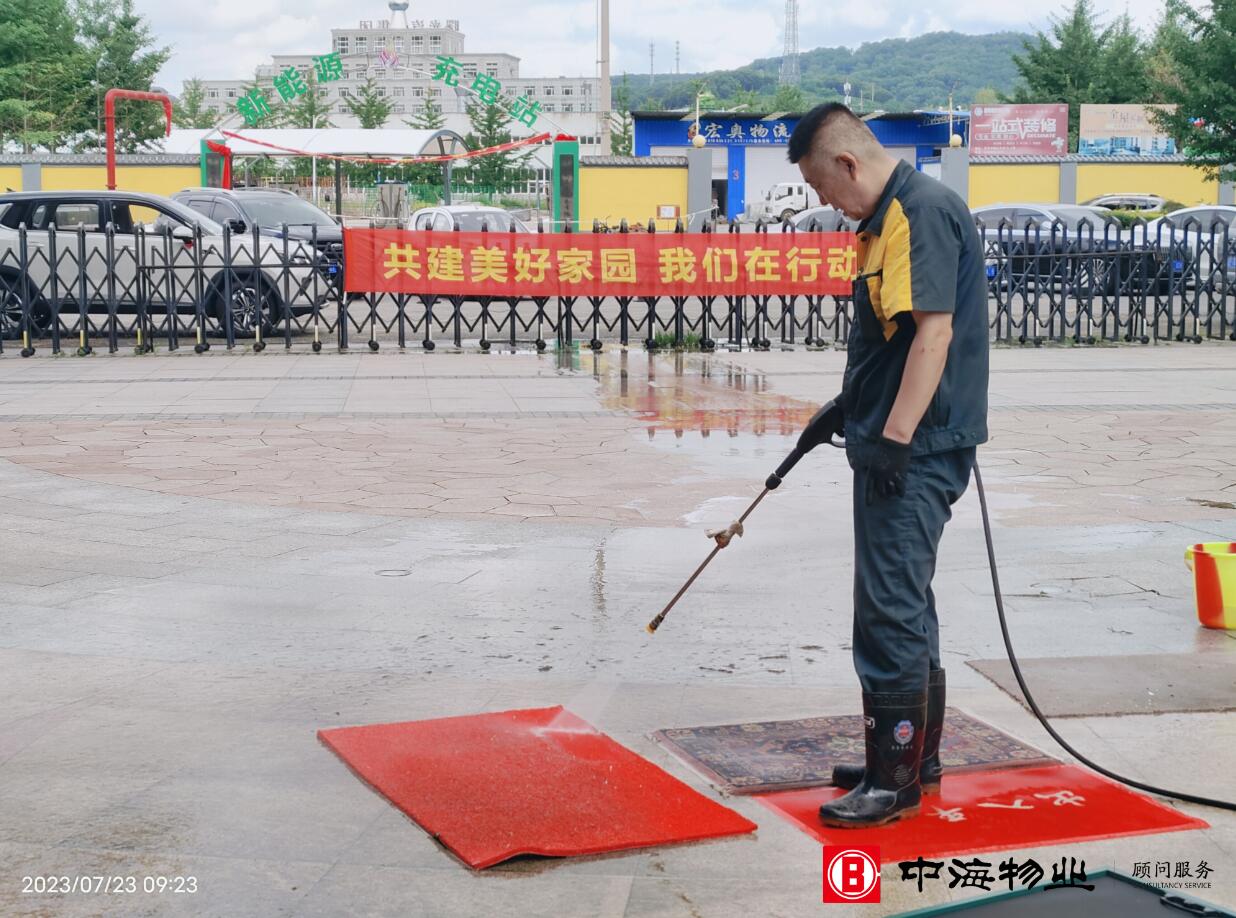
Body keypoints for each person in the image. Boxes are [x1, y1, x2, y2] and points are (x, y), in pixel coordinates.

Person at [786, 104, 990, 828]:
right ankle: (909, 759)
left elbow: (934, 335)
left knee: (889, 612)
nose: (823, 204)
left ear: (846, 163)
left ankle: (893, 781)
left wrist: (896, 438)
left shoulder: (919, 212)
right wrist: (849, 406)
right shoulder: (885, 222)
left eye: (820, 186)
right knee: (908, 602)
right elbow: (891, 337)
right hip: (894, 437)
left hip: (915, 449)